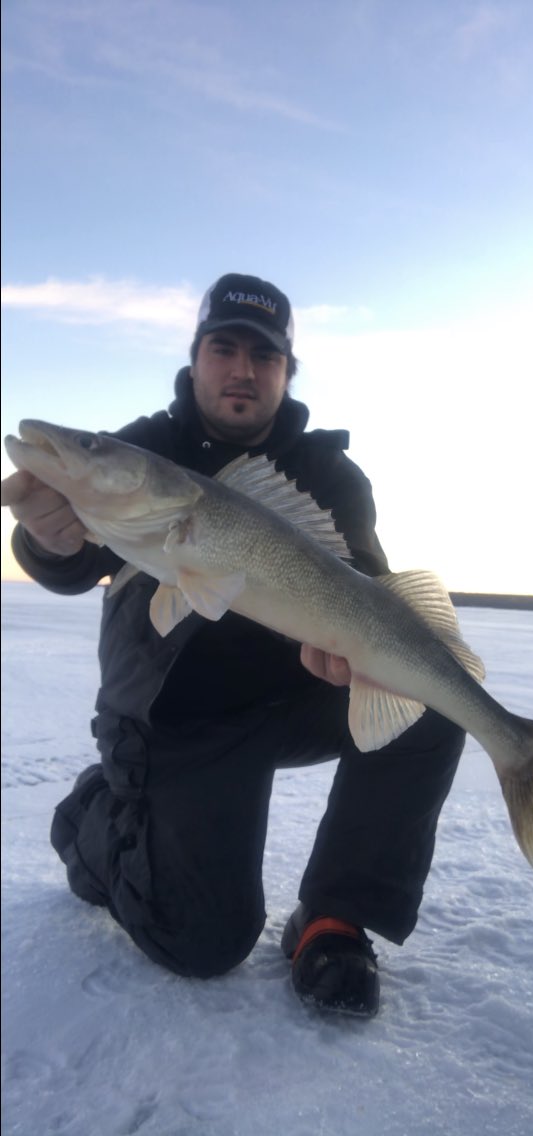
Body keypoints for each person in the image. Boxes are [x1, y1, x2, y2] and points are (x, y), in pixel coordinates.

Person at [3, 272, 466, 1017]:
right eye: (224, 348)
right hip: (177, 720)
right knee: (202, 943)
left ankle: (333, 919)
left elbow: (368, 585)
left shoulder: (328, 472)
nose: (243, 369)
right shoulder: (146, 450)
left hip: (293, 698)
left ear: (287, 371)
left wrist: (352, 653)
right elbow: (70, 563)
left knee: (434, 697)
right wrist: (46, 538)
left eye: (265, 355)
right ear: (195, 360)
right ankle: (92, 817)